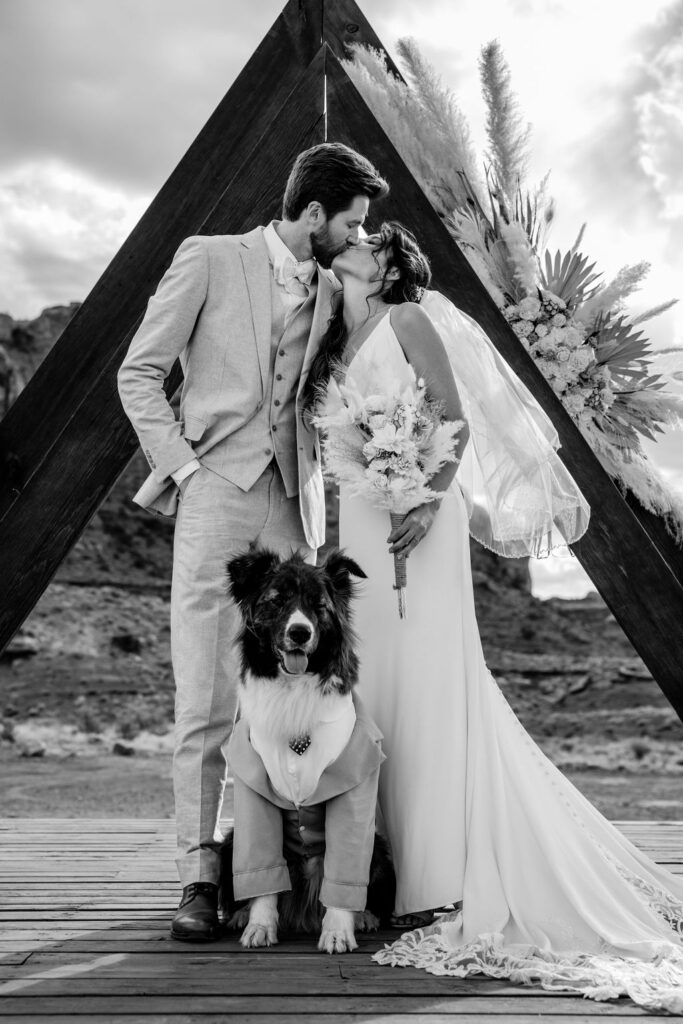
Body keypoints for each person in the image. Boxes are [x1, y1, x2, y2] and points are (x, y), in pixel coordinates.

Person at [302, 222, 683, 1012]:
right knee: (376, 682)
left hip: (418, 512)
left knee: (431, 676)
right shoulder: (341, 329)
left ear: (389, 265)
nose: (359, 240)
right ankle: (382, 861)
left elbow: (456, 419)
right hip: (362, 514)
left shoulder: (407, 317)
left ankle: (438, 868)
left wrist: (425, 495)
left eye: (373, 239)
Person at [117, 143, 388, 942]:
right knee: (204, 701)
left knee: (294, 701)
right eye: (351, 220)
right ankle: (199, 879)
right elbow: (139, 372)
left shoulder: (335, 290)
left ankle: (269, 876)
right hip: (216, 499)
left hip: (298, 512)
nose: (356, 233)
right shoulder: (208, 258)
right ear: (313, 215)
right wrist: (186, 470)